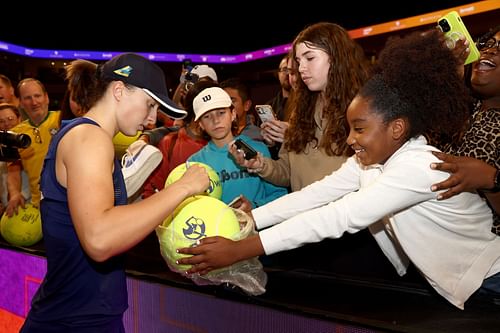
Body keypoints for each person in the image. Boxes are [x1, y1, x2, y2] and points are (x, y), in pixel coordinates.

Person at [177, 29, 500, 310]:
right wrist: (249, 221)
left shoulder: (416, 166)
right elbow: (315, 196)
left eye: (359, 128)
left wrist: (241, 248)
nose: (350, 139)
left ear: (397, 128)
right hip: (470, 280)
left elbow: (339, 216)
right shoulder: (373, 161)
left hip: (491, 276)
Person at [20, 53, 210, 332]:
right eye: (149, 105)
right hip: (76, 319)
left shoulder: (83, 135)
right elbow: (99, 239)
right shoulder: (90, 139)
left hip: (78, 310)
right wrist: (183, 187)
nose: (151, 118)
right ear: (119, 90)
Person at [234, 22, 369, 192]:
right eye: (298, 61)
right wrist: (260, 165)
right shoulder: (301, 110)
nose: (302, 68)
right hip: (304, 215)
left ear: (336, 57)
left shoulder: (364, 108)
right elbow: (288, 173)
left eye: (310, 58)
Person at [430, 25, 500, 235]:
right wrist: (450, 74)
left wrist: (492, 180)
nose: (490, 50)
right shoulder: (464, 109)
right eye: (488, 44)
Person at [187, 86, 288, 208]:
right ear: (201, 124)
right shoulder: (195, 163)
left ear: (233, 114)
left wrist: (253, 207)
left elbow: (279, 195)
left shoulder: (258, 149)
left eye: (221, 113)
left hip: (259, 224)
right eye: (207, 116)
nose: (216, 121)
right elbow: (195, 208)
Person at [142, 80, 217, 198]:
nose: (216, 120)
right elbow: (151, 192)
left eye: (221, 112)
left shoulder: (226, 145)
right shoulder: (170, 143)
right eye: (209, 113)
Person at [5, 78, 61, 217]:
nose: (34, 102)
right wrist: (15, 193)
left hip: (68, 201)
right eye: (28, 98)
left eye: (37, 96)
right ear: (21, 103)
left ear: (46, 98)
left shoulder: (63, 120)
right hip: (40, 206)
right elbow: (13, 170)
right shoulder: (14, 134)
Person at [0, 103, 30, 216]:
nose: (6, 124)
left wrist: (17, 194)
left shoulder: (28, 143)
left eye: (10, 119)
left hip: (29, 206)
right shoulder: (2, 147)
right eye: (1, 121)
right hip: (8, 209)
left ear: (19, 119)